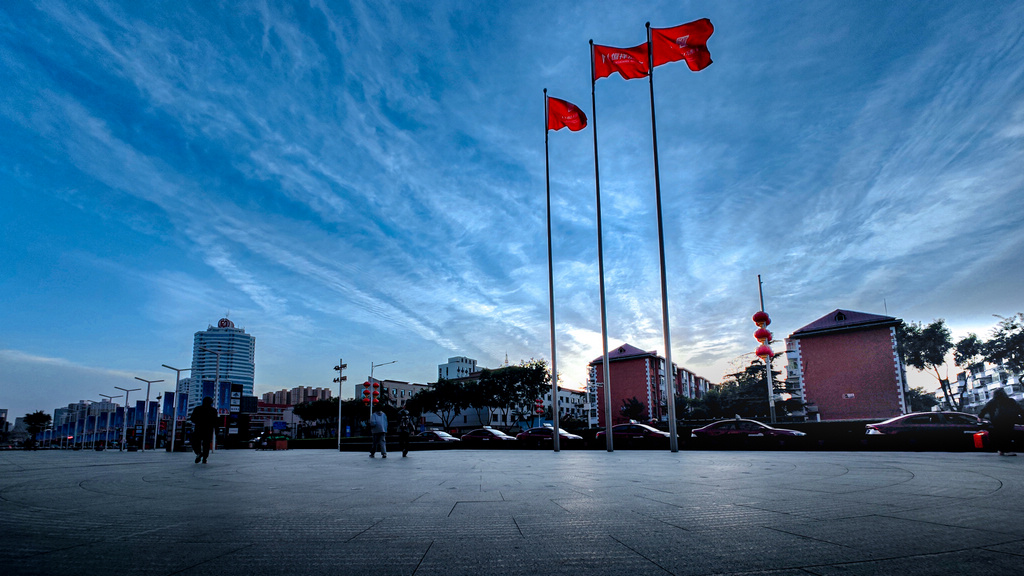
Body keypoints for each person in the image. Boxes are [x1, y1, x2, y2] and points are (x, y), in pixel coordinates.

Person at [979, 388, 1024, 456]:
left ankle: (1001, 450)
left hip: (997, 420)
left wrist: (980, 417)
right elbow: (1020, 409)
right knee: (1008, 434)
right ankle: (1007, 450)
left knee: (1000, 435)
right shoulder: (1010, 401)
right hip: (1009, 419)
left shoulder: (992, 402)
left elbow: (984, 409)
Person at [189, 396, 219, 464]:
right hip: (208, 429)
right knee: (206, 444)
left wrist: (198, 422)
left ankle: (198, 453)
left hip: (199, 428)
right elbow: (216, 422)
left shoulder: (198, 409)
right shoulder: (213, 410)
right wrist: (216, 430)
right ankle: (205, 458)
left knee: (196, 442)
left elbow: (192, 418)